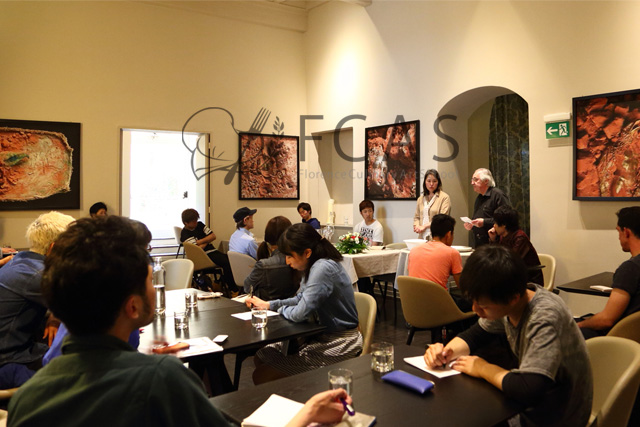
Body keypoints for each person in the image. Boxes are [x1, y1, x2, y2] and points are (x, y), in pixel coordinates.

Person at [8, 216, 352, 427]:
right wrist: (306, 414)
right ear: (132, 306)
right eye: (150, 280)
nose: (156, 288)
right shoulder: (162, 380)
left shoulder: (29, 397)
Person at [423, 245, 592, 427]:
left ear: (513, 298)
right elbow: (475, 335)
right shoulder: (508, 302)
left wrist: (482, 367)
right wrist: (445, 352)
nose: (475, 310)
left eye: (483, 306)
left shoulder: (543, 317)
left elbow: (528, 388)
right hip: (534, 404)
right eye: (473, 302)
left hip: (559, 416)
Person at [246, 223, 362, 384]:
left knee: (262, 374)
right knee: (263, 355)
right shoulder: (314, 265)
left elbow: (300, 313)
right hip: (320, 336)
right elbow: (301, 298)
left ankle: (300, 394)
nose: (287, 261)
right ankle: (293, 393)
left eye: (289, 256)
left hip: (339, 342)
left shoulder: (322, 268)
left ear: (307, 252)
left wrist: (281, 309)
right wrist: (269, 305)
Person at [0, 211, 75, 389]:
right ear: (54, 248)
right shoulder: (38, 275)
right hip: (8, 361)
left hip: (18, 350)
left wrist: (55, 315)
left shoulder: (21, 260)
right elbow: (86, 306)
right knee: (75, 382)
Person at [578, 207, 640, 338]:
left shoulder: (630, 269)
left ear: (626, 232)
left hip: (619, 338)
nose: (618, 238)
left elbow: (606, 320)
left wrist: (578, 325)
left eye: (618, 231)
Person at [408, 214, 470, 312]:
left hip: (413, 306)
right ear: (449, 234)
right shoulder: (452, 253)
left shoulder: (414, 250)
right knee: (474, 303)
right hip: (438, 307)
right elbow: (461, 286)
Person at [180, 208, 239, 293]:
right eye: (193, 221)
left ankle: (219, 283)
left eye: (196, 220)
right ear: (186, 223)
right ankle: (233, 289)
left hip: (213, 251)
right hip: (204, 256)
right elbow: (198, 249)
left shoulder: (200, 225)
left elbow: (213, 236)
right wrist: (207, 240)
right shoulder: (185, 234)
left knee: (232, 260)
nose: (196, 222)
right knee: (226, 262)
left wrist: (199, 241)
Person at [244, 216, 299, 300]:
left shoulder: (263, 265)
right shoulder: (300, 261)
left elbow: (247, 287)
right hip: (294, 305)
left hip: (265, 305)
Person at [489, 205, 543, 286]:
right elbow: (497, 256)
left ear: (504, 225)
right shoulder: (503, 236)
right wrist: (492, 239)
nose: (494, 225)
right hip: (513, 276)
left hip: (528, 279)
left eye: (496, 223)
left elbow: (512, 261)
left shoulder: (520, 237)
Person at [464, 168, 510, 247]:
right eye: (472, 180)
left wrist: (484, 222)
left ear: (486, 181)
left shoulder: (497, 195)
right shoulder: (479, 197)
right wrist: (472, 225)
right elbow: (478, 218)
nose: (472, 183)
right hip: (479, 243)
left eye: (475, 180)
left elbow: (506, 218)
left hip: (494, 244)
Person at [413, 169, 451, 240]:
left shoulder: (444, 197)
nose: (431, 184)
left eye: (434, 181)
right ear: (425, 182)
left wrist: (424, 226)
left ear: (438, 182)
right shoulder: (420, 199)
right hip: (422, 237)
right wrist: (417, 226)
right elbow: (417, 217)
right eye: (428, 181)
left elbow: (442, 219)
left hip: (437, 237)